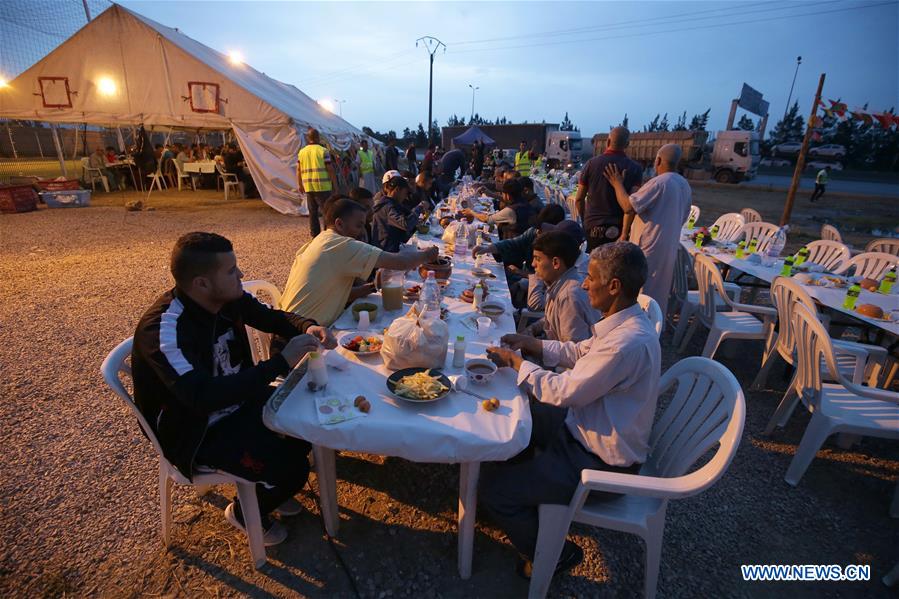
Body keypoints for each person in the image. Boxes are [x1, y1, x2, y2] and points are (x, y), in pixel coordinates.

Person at [132, 232, 336, 545]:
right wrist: (281, 362)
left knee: (307, 420)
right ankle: (245, 511)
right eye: (231, 270)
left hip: (238, 402)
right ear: (201, 283)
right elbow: (202, 397)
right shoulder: (165, 330)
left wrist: (306, 326)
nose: (240, 275)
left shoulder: (226, 299)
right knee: (293, 468)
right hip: (196, 429)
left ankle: (270, 487)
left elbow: (272, 317)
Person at [483, 242, 661, 578]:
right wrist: (534, 345)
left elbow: (567, 391)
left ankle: (557, 553)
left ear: (614, 286)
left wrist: (515, 362)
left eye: (590, 278)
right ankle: (525, 490)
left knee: (495, 491)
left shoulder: (627, 344)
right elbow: (580, 351)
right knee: (513, 420)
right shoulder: (623, 322)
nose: (583, 283)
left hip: (600, 463)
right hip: (582, 430)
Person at [279, 199, 439, 325]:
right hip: (298, 336)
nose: (362, 232)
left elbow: (338, 294)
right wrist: (427, 254)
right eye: (358, 226)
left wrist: (373, 286)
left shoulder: (319, 241)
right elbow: (402, 262)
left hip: (287, 325)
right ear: (339, 224)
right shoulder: (341, 245)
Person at [604, 144, 691, 316]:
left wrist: (617, 184)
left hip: (649, 245)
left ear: (658, 160)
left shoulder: (660, 182)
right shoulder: (683, 184)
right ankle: (655, 325)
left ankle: (640, 326)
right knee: (659, 290)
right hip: (669, 246)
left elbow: (628, 206)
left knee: (643, 290)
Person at [524, 231, 600, 343]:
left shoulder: (569, 296)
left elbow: (572, 352)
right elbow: (553, 318)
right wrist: (533, 328)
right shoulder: (560, 283)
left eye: (538, 259)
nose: (533, 264)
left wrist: (532, 346)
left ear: (556, 263)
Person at [575, 126, 643, 251]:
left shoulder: (591, 164)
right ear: (627, 144)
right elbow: (631, 206)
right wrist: (625, 232)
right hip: (618, 229)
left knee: (593, 264)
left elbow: (579, 199)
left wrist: (585, 220)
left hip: (593, 226)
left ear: (608, 142)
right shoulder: (635, 168)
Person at [473, 204, 566, 271]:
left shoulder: (557, 247)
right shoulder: (533, 232)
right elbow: (513, 243)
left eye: (542, 229)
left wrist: (521, 274)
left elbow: (543, 280)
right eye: (539, 227)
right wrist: (487, 249)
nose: (538, 232)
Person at [297, 128, 338, 238]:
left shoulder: (302, 152)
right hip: (323, 186)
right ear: (317, 137)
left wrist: (300, 184)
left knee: (313, 212)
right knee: (327, 211)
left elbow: (299, 169)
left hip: (309, 186)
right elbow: (330, 168)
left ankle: (315, 235)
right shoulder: (323, 151)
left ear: (308, 138)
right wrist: (335, 184)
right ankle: (327, 234)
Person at [370, 174, 427, 252]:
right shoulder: (387, 206)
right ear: (397, 190)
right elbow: (405, 225)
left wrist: (417, 219)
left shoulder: (393, 203)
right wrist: (419, 208)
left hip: (394, 246)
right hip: (386, 251)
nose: (406, 196)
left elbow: (408, 215)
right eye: (405, 193)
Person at [463, 179, 535, 240]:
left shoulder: (511, 210)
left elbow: (487, 219)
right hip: (526, 242)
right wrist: (490, 194)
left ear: (508, 195)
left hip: (513, 246)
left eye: (503, 193)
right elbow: (507, 200)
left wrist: (471, 212)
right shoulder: (525, 202)